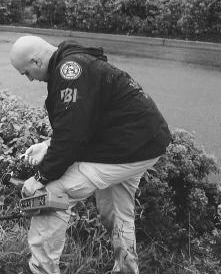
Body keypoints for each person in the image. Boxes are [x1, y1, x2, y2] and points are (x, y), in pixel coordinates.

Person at [9, 35, 171, 274]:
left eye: (26, 73)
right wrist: (48, 145)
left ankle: (41, 270)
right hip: (143, 142)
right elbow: (86, 121)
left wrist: (41, 178)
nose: (30, 79)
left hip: (126, 148)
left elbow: (73, 135)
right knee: (117, 209)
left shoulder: (69, 71)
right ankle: (126, 270)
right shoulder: (78, 61)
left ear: (35, 62)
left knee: (50, 194)